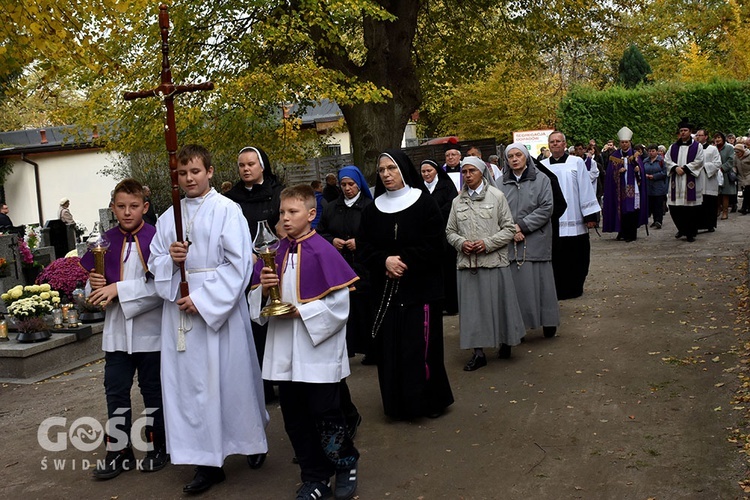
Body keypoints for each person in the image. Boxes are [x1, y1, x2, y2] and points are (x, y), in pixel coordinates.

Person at [148, 144, 268, 494]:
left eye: (195, 172)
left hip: (218, 311)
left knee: (231, 381)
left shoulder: (227, 210)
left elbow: (240, 263)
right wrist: (170, 259)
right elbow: (154, 263)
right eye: (182, 173)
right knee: (191, 390)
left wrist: (202, 299)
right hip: (180, 315)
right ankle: (206, 462)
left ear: (210, 172)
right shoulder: (168, 217)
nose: (188, 179)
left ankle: (251, 442)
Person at [249, 184, 360, 500]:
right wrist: (263, 288)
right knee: (295, 417)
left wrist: (302, 311)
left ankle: (345, 463)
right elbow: (255, 302)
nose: (285, 218)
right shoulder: (275, 251)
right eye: (282, 212)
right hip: (284, 348)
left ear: (311, 214)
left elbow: (339, 307)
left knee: (326, 414)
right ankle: (315, 477)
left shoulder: (324, 250)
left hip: (316, 349)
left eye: (292, 212)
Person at [357, 149, 454, 419]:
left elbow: (436, 245)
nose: (386, 174)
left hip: (420, 289)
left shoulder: (423, 203)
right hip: (385, 291)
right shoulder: (372, 210)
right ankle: (397, 405)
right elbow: (364, 247)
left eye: (391, 169)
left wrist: (404, 262)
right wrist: (384, 261)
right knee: (390, 349)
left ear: (403, 170)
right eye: (382, 170)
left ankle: (428, 401)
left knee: (420, 347)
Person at [82, 179, 167, 479]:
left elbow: (161, 287)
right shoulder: (102, 243)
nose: (127, 212)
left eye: (133, 206)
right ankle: (118, 451)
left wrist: (119, 289)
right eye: (121, 207)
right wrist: (91, 287)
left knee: (153, 392)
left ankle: (159, 446)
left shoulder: (157, 239)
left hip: (151, 331)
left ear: (145, 207)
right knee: (115, 391)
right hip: (116, 333)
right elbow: (90, 288)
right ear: (112, 208)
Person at [446, 155, 525, 371]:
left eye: (472, 171)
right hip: (468, 264)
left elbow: (509, 229)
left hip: (494, 261)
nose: (467, 175)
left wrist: (487, 243)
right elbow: (450, 231)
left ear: (482, 172)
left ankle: (506, 341)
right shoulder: (457, 201)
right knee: (472, 311)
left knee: (500, 305)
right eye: (464, 172)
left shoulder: (497, 197)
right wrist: (461, 243)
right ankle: (478, 353)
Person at [224, 145, 284, 406]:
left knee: (277, 323)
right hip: (243, 268)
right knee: (253, 324)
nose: (246, 169)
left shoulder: (278, 192)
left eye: (250, 164)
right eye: (241, 165)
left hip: (274, 263)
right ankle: (262, 385)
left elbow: (283, 227)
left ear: (262, 166)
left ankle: (283, 378)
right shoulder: (231, 198)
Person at [499, 144, 560, 339]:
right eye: (510, 156)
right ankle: (520, 326)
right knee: (517, 287)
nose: (514, 159)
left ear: (526, 157)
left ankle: (548, 321)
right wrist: (511, 229)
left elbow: (546, 208)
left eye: (518, 155)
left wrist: (522, 226)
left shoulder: (541, 179)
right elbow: (497, 211)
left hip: (536, 237)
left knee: (541, 283)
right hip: (511, 240)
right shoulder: (500, 183)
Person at [317, 165, 375, 361]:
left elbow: (377, 234)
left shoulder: (370, 206)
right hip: (340, 266)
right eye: (343, 184)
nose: (347, 188)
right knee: (343, 308)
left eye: (351, 184)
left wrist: (359, 242)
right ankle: (347, 347)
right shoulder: (331, 208)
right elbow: (321, 232)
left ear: (358, 185)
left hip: (364, 266)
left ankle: (371, 350)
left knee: (366, 309)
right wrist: (332, 241)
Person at [541, 131, 600, 299]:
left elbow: (585, 187)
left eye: (558, 141)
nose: (555, 144)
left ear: (565, 144)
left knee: (576, 255)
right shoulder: (542, 164)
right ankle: (557, 288)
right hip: (553, 218)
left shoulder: (577, 162)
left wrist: (589, 216)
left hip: (574, 217)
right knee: (557, 255)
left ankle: (575, 287)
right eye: (552, 141)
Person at [420, 159, 459, 315]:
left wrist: (434, 216)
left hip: (445, 233)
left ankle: (451, 305)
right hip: (426, 235)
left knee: (448, 270)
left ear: (436, 170)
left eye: (429, 171)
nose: (426, 174)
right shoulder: (419, 187)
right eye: (423, 171)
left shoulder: (447, 186)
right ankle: (436, 305)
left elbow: (451, 205)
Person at [602, 127, 649, 242]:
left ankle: (632, 234)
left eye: (626, 142)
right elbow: (609, 174)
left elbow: (642, 171)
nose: (624, 144)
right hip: (619, 188)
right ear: (619, 143)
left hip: (634, 187)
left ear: (630, 142)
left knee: (631, 210)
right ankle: (621, 231)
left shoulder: (636, 155)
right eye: (622, 142)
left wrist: (638, 170)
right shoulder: (614, 156)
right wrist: (618, 172)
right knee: (621, 209)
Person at [665, 119, 705, 242]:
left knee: (690, 209)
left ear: (690, 131)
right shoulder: (673, 147)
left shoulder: (697, 146)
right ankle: (681, 229)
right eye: (681, 130)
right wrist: (675, 168)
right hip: (676, 180)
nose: (683, 133)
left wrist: (686, 168)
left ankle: (690, 233)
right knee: (675, 208)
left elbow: (699, 161)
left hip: (689, 179)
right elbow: (667, 160)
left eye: (685, 130)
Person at [694, 129, 721, 232]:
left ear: (706, 137)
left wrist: (704, 166)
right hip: (697, 179)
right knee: (698, 204)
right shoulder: (693, 149)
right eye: (697, 135)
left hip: (709, 180)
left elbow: (717, 163)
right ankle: (697, 225)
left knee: (709, 203)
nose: (698, 137)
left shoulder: (712, 149)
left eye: (700, 135)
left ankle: (710, 225)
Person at [643, 144, 668, 229]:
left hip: (658, 186)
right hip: (648, 186)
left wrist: (654, 176)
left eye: (653, 151)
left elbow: (665, 173)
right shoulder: (645, 161)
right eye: (649, 151)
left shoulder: (661, 161)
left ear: (656, 151)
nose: (651, 153)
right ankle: (654, 220)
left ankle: (659, 220)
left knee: (658, 205)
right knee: (651, 204)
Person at [715, 132, 736, 220]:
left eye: (719, 137)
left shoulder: (729, 148)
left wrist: (722, 168)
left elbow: (731, 160)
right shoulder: (714, 148)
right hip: (715, 173)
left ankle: (725, 211)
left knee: (725, 194)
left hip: (726, 173)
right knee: (717, 193)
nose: (717, 139)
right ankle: (718, 209)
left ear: (723, 138)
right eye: (715, 138)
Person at [735, 144, 750, 214]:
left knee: (747, 191)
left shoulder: (749, 156)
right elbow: (734, 165)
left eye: (738, 152)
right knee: (746, 193)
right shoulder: (735, 157)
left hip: (748, 175)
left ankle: (744, 208)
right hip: (741, 176)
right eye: (735, 152)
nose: (736, 153)